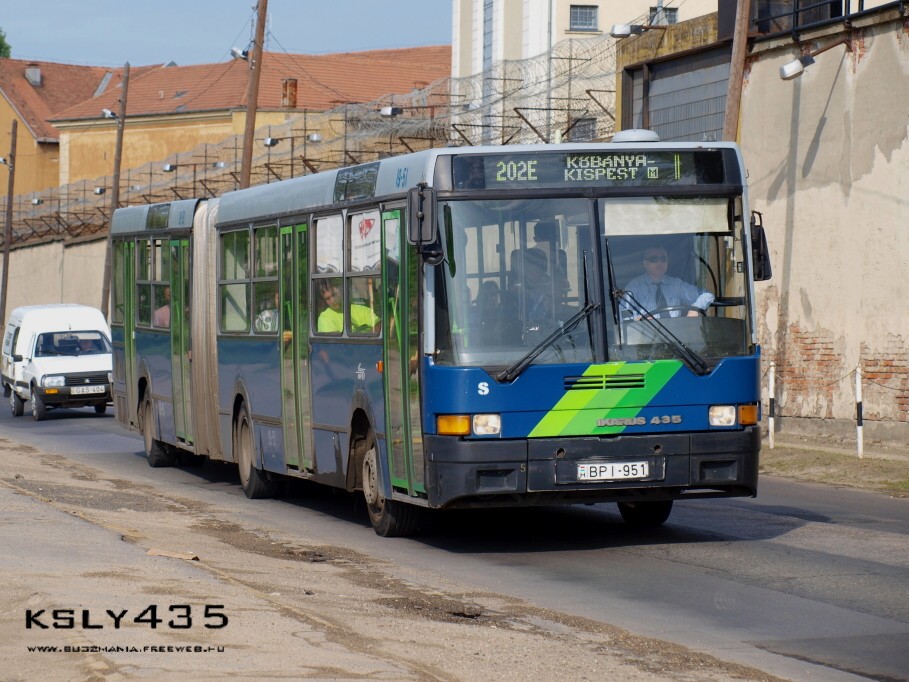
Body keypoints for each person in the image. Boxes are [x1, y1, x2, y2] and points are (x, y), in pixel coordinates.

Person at [623, 245, 714, 318]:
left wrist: (695, 308)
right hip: (645, 334)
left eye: (663, 259)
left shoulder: (676, 284)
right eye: (654, 259)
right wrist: (639, 319)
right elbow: (622, 317)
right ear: (645, 263)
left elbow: (707, 295)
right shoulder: (633, 288)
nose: (659, 263)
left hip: (676, 334)